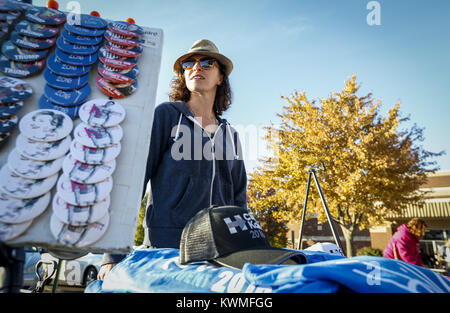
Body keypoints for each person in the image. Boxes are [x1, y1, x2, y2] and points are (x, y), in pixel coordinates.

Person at [98, 39, 247, 279]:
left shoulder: (230, 134)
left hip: (220, 253)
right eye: (189, 63)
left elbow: (239, 197)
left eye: (207, 62)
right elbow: (135, 182)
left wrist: (242, 247)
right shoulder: (166, 116)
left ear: (220, 78)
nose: (197, 67)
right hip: (167, 248)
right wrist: (112, 255)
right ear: (183, 75)